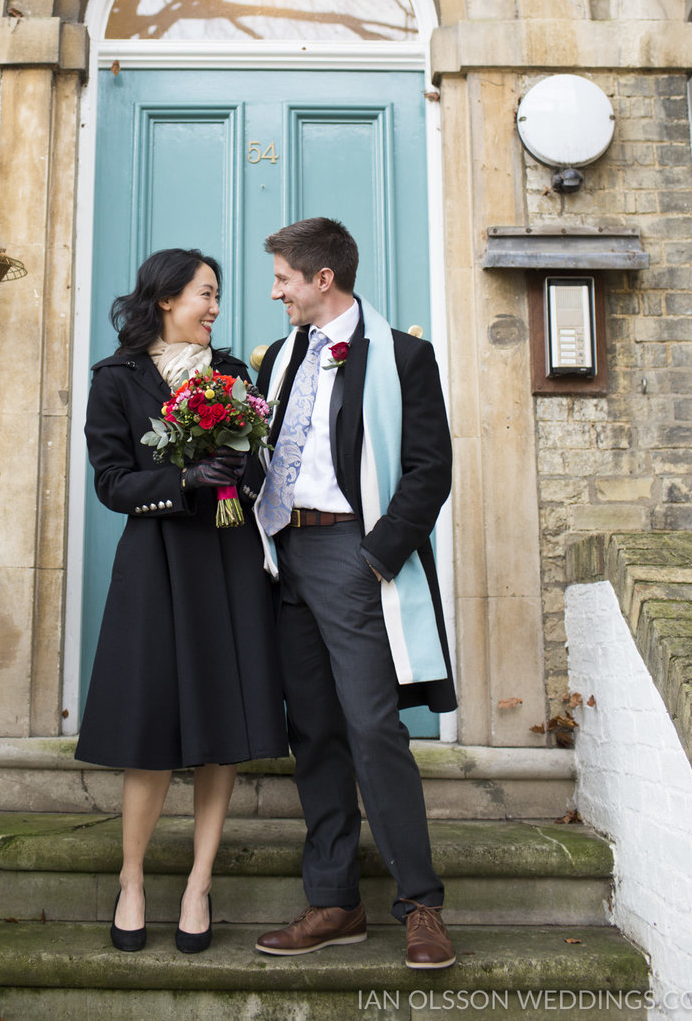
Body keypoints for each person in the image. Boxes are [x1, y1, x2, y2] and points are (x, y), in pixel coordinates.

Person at [247, 217, 457, 969]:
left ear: (322, 278)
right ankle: (334, 902)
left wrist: (375, 559)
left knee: (373, 729)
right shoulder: (274, 359)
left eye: (283, 279)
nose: (275, 292)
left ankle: (420, 906)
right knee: (316, 734)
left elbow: (430, 468)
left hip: (351, 553)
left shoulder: (404, 356)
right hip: (284, 556)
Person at [76, 247, 287, 955]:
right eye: (206, 294)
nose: (216, 308)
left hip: (228, 561)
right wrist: (182, 477)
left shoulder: (232, 375)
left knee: (221, 728)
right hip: (158, 561)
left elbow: (263, 462)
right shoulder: (113, 380)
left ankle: (199, 883)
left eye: (218, 296)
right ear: (166, 298)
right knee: (151, 731)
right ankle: (131, 879)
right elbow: (111, 482)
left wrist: (238, 471)